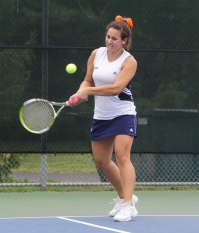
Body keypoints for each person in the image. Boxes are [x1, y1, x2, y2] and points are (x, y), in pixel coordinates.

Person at [69, 15, 138, 222]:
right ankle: (124, 196)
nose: (109, 41)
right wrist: (80, 92)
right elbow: (87, 79)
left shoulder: (129, 61)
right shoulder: (96, 54)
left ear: (124, 41)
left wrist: (88, 91)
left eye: (115, 38)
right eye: (108, 37)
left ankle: (128, 205)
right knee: (102, 161)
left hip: (123, 113)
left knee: (122, 154)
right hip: (101, 115)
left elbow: (116, 88)